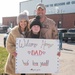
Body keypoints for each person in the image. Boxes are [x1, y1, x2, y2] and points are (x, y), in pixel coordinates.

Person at [29, 3, 60, 75]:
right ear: (35, 11)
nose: (40, 12)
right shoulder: (30, 22)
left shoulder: (51, 23)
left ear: (45, 11)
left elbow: (56, 37)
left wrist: (57, 49)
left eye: (42, 10)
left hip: (47, 55)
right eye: (38, 10)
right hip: (33, 55)